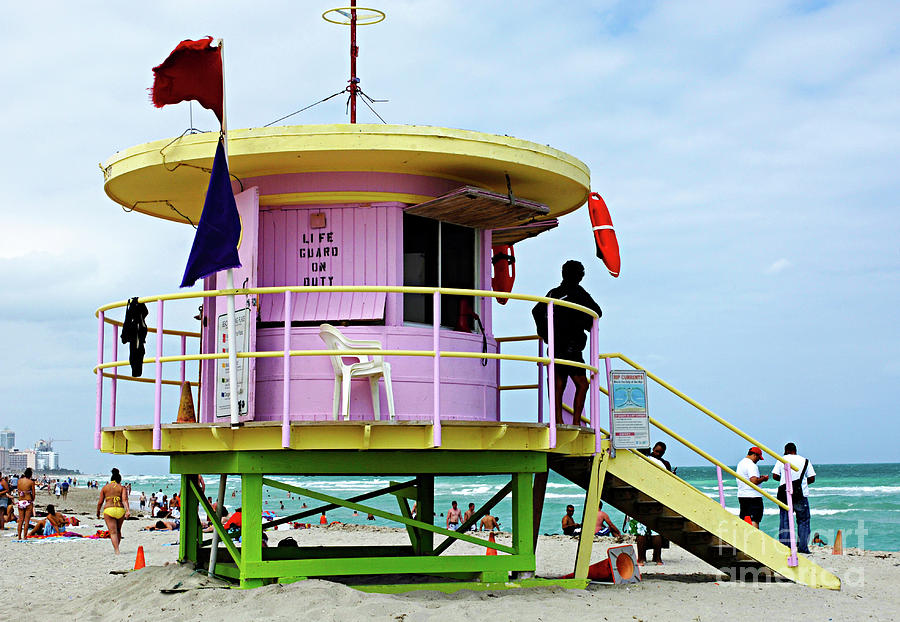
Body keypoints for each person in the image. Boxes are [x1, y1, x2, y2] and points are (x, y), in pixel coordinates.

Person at [532, 260, 603, 425]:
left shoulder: (553, 293)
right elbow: (597, 312)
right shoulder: (577, 293)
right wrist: (584, 324)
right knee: (582, 384)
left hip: (556, 345)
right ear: (579, 276)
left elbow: (536, 311)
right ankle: (576, 422)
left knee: (558, 384)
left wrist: (545, 334)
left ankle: (558, 420)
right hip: (571, 346)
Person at [771, 442, 816, 554]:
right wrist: (800, 484)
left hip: (784, 495)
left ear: (786, 450)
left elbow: (775, 476)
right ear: (795, 450)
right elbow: (812, 478)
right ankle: (803, 548)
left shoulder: (782, 459)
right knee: (803, 521)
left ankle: (785, 547)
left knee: (785, 520)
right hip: (801, 494)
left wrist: (786, 480)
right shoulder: (805, 461)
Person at [96, 467, 129, 554]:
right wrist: (128, 511)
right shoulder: (122, 488)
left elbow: (100, 502)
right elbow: (125, 500)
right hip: (120, 510)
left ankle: (116, 550)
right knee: (118, 530)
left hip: (109, 510)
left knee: (113, 532)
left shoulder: (105, 488)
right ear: (119, 480)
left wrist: (98, 512)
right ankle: (117, 547)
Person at [736, 447, 769, 528]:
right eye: (758, 458)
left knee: (746, 519)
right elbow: (754, 480)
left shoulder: (740, 464)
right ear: (754, 455)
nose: (758, 460)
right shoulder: (751, 465)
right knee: (754, 519)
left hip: (742, 495)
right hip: (753, 496)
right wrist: (763, 479)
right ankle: (755, 540)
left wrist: (759, 477)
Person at [16, 467, 36, 540]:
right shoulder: (31, 482)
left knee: (20, 520)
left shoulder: (19, 481)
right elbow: (33, 494)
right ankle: (25, 536)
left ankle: (19, 536)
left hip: (21, 501)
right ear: (30, 474)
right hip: (28, 501)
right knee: (27, 520)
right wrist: (32, 500)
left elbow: (18, 491)